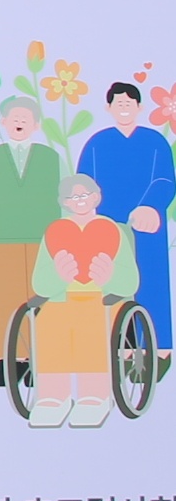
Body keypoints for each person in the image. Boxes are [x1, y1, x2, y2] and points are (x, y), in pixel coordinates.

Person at [28, 171, 136, 429]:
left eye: (84, 194)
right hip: (62, 298)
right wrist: (58, 276)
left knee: (92, 326)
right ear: (63, 202)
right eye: (72, 197)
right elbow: (39, 282)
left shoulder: (114, 230)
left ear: (97, 196)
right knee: (49, 324)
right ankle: (53, 397)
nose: (79, 200)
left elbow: (131, 281)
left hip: (103, 299)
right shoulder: (55, 232)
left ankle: (94, 396)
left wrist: (110, 275)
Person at [81, 81, 174, 362]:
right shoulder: (97, 142)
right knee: (112, 281)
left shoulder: (154, 141)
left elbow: (165, 179)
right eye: (118, 103)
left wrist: (149, 206)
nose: (124, 108)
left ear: (139, 107)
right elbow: (84, 182)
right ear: (108, 108)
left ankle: (158, 347)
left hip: (147, 225)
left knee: (151, 280)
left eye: (129, 103)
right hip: (107, 224)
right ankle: (123, 346)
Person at [0, 95, 63, 390]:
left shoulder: (50, 158)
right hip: (2, 235)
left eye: (25, 119)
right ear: (3, 122)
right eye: (14, 119)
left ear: (36, 125)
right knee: (6, 296)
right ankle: (9, 358)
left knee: (41, 295)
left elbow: (62, 197)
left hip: (42, 236)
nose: (19, 123)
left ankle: (39, 356)